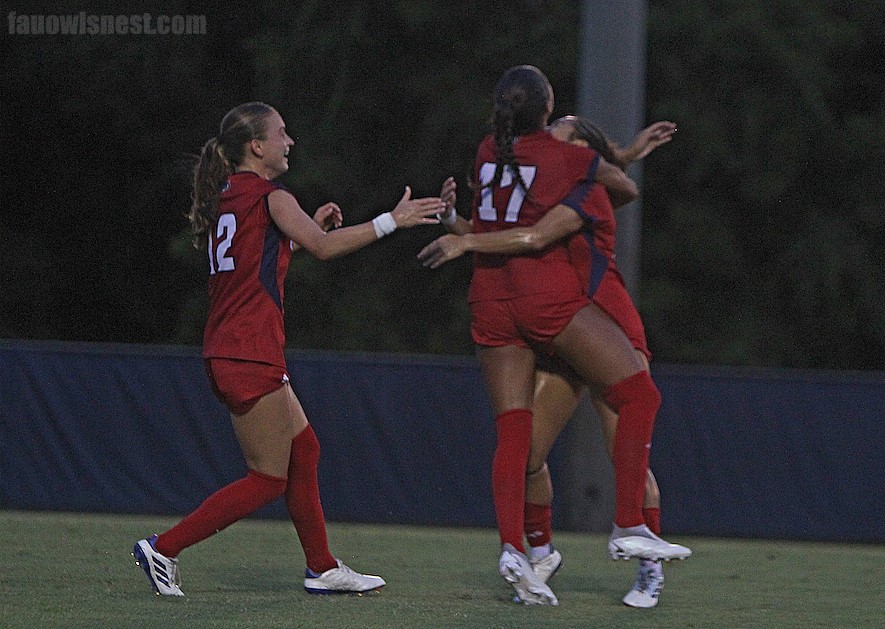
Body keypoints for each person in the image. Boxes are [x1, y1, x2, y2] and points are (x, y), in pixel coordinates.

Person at [133, 101, 445, 597]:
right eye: (281, 133)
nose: (289, 141)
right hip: (247, 350)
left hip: (233, 347)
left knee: (305, 450)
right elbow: (324, 248)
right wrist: (393, 220)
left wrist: (298, 232)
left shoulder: (231, 195)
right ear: (256, 147)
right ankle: (164, 547)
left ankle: (322, 567)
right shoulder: (270, 196)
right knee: (267, 478)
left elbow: (264, 256)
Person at [418, 66, 690, 606]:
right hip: (554, 323)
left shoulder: (578, 186)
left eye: (570, 130)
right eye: (556, 123)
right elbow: (504, 232)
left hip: (602, 320)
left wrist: (622, 157)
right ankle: (540, 553)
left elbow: (611, 191)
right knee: (530, 455)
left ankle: (644, 559)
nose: (561, 131)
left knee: (628, 455)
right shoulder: (543, 172)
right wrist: (456, 222)